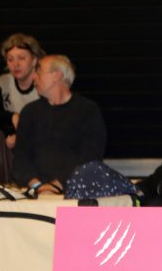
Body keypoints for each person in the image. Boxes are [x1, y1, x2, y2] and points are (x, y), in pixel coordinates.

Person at [11, 54, 106, 194]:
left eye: (38, 71)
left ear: (57, 75)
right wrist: (37, 186)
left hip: (75, 192)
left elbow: (90, 158)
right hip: (35, 193)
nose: (34, 77)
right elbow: (20, 159)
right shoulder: (29, 112)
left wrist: (57, 186)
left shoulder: (88, 110)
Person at [0, 33, 46, 149]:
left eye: (21, 58)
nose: (16, 64)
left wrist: (21, 136)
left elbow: (51, 122)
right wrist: (12, 116)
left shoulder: (45, 83)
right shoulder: (3, 82)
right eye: (10, 59)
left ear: (34, 60)